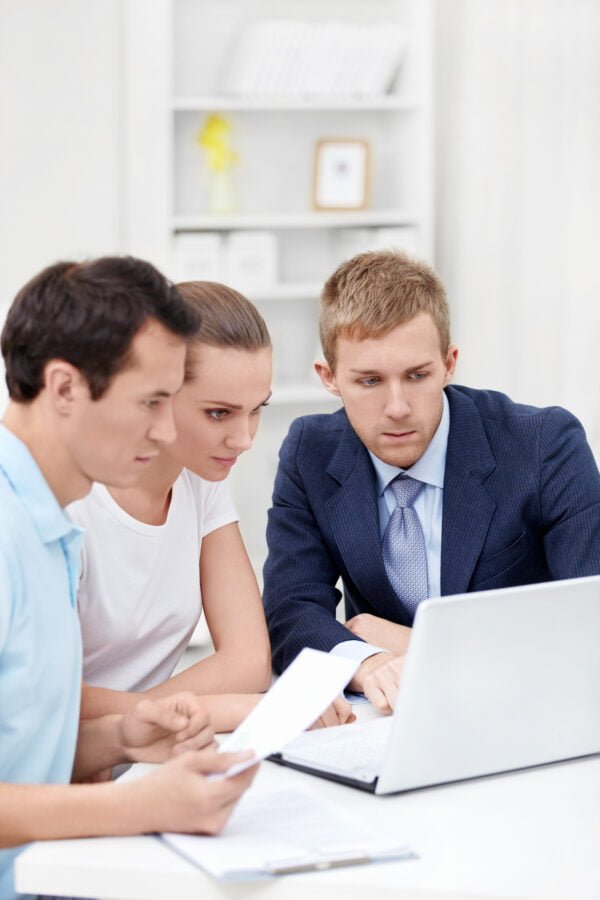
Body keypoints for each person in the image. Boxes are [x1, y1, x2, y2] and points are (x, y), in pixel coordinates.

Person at [0, 258, 257, 900]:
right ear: (63, 389)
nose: (169, 431)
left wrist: (124, 737)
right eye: (150, 403)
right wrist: (142, 807)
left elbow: (25, 742)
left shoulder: (46, 528)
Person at [262, 250, 600, 713]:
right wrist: (369, 660)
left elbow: (588, 620)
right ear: (329, 377)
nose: (397, 407)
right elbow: (290, 608)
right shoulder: (309, 451)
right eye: (369, 381)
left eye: (417, 376)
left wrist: (414, 642)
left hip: (525, 710)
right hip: (386, 718)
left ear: (449, 363)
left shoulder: (544, 445)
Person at [71, 281, 353, 733]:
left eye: (256, 409)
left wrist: (140, 720)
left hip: (146, 749)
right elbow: (44, 699)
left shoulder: (199, 478)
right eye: (219, 413)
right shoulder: (70, 504)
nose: (244, 439)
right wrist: (224, 709)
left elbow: (249, 661)